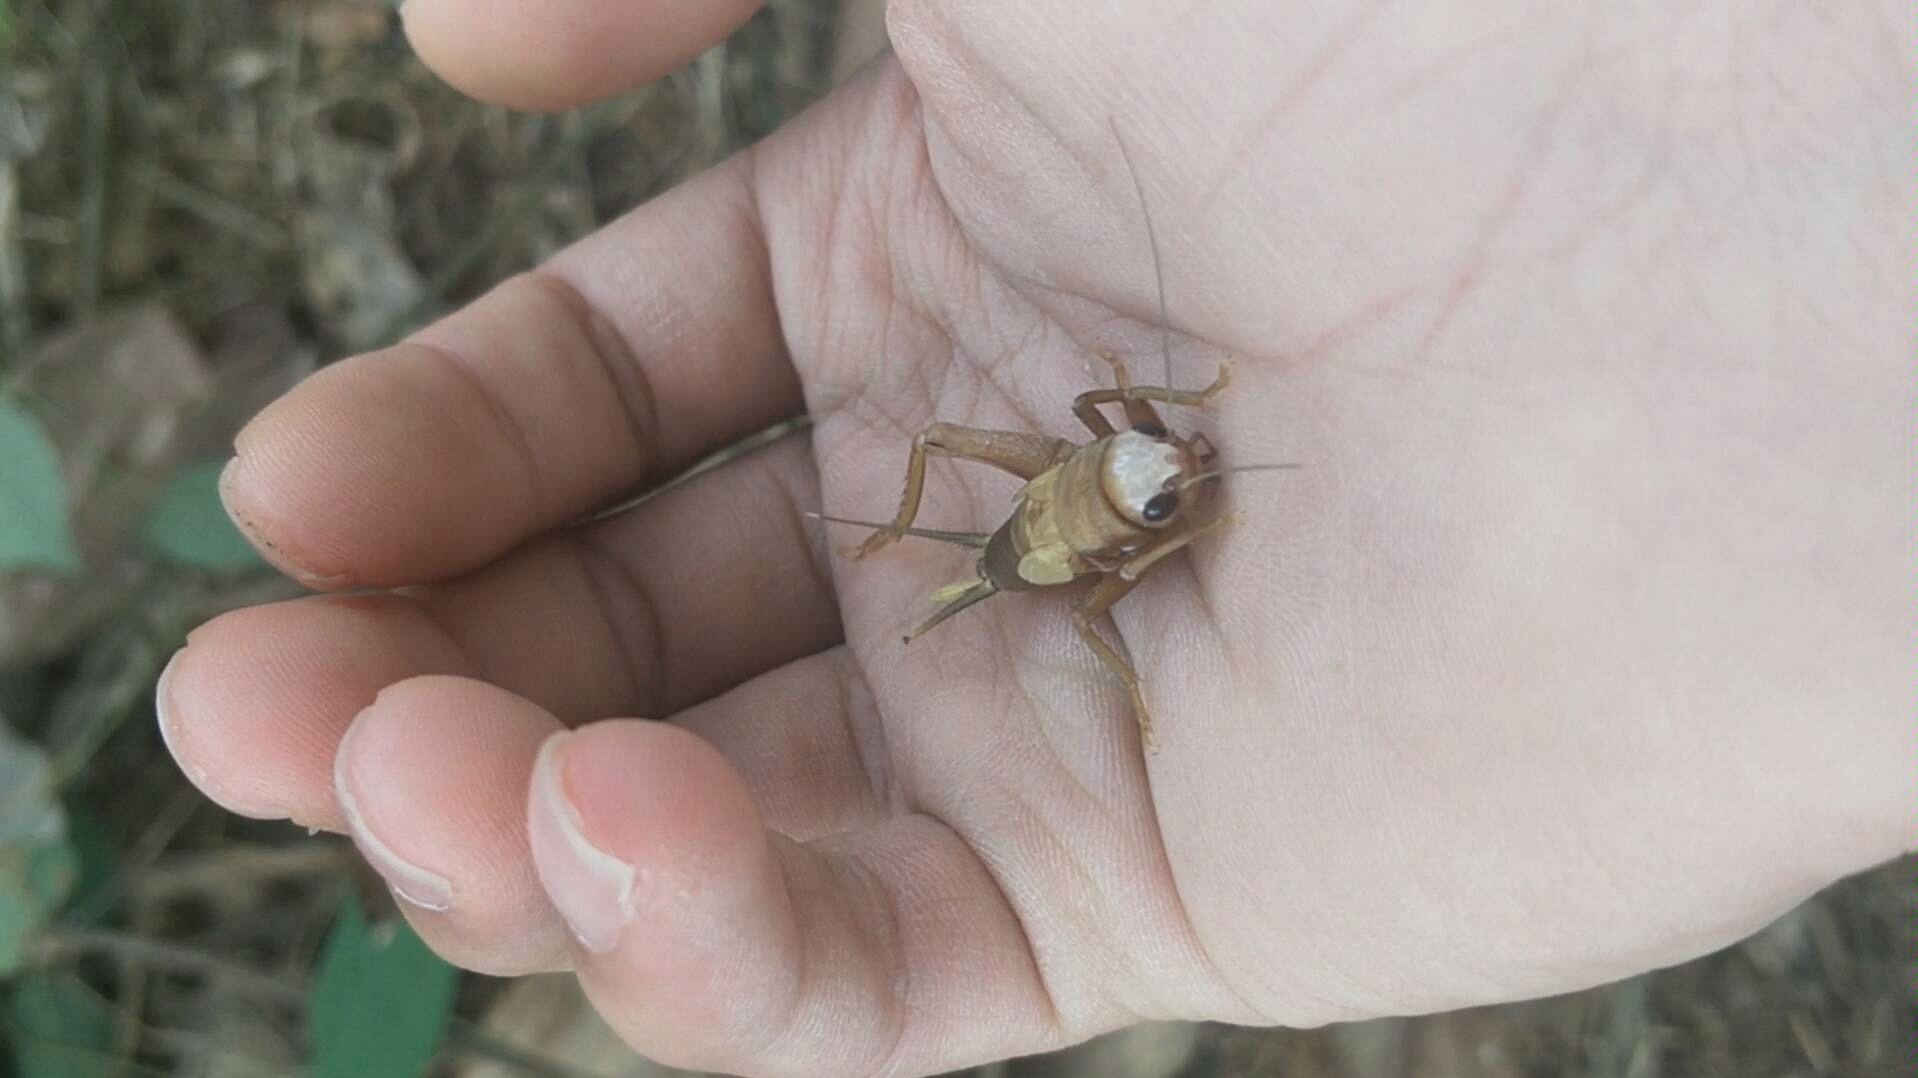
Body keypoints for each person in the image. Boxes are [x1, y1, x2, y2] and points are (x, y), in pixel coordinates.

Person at [155, 1, 1911, 1074]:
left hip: (1072, 530)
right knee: (1015, 567)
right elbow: (1127, 523)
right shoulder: (1132, 505)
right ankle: (938, 576)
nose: (1181, 461)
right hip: (1041, 548)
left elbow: (1155, 483)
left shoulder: (1168, 470)